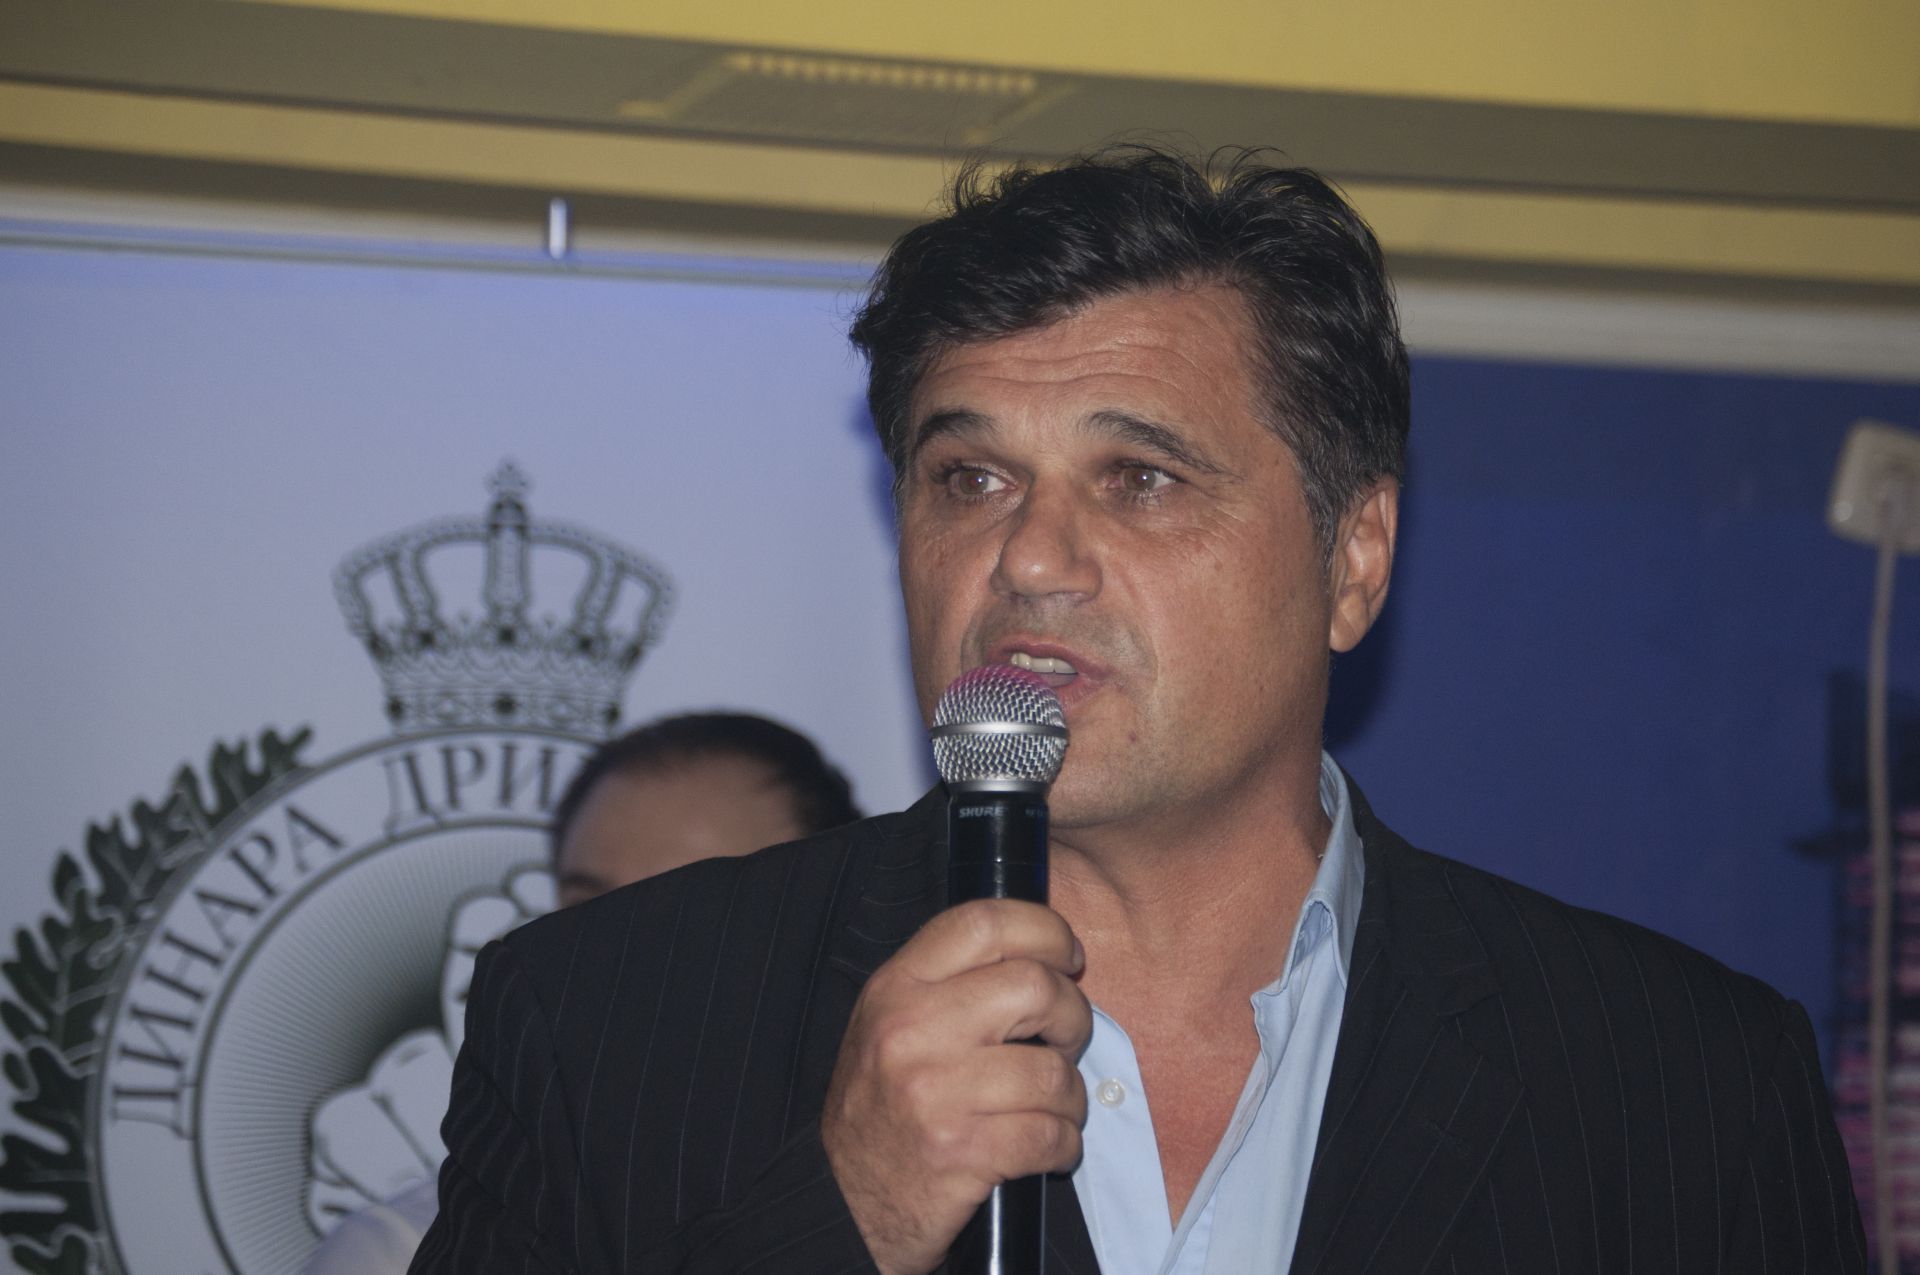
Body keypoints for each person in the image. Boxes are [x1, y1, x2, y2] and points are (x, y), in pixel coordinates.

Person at [413, 148, 1864, 1274]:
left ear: (1354, 558)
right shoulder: (606, 1024)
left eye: (1141, 478)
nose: (1029, 558)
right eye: (970, 478)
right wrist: (843, 1215)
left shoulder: (1677, 1082)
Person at [306, 712, 859, 1274]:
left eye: (701, 913)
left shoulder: (907, 1216)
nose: (623, 960)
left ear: (839, 928)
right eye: (589, 911)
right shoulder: (402, 1253)